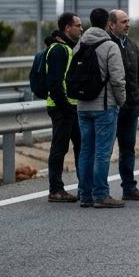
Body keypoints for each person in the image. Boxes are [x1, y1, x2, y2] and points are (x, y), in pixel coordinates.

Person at [75, 8, 127, 209]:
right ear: (108, 24)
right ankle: (101, 194)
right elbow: (117, 79)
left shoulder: (79, 44)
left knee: (86, 151)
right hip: (104, 106)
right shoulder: (109, 46)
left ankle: (85, 194)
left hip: (82, 106)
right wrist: (121, 101)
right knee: (102, 153)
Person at [43, 12, 83, 202]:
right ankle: (55, 190)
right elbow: (55, 83)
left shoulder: (69, 48)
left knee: (80, 146)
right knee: (59, 148)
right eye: (78, 25)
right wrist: (66, 107)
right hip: (61, 108)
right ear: (67, 28)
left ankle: (84, 186)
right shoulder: (59, 49)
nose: (81, 29)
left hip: (71, 106)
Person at [108, 9, 139, 201]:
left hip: (131, 107)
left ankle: (129, 187)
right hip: (111, 107)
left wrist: (138, 97)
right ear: (111, 24)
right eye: (123, 22)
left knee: (128, 148)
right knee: (104, 149)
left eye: (128, 21)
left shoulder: (131, 45)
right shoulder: (106, 45)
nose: (128, 25)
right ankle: (97, 189)